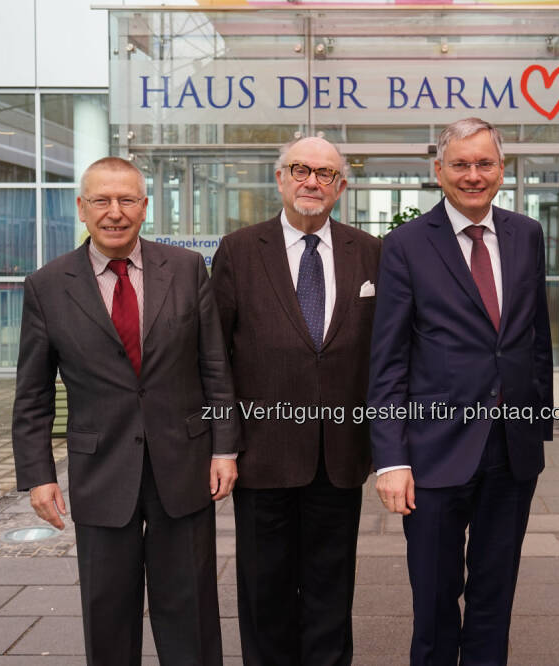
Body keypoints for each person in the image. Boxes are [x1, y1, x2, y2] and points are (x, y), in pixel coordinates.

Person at [11, 157, 239, 665]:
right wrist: (38, 475)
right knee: (107, 609)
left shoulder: (184, 268)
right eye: (101, 200)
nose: (115, 212)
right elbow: (32, 392)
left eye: (127, 200)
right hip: (101, 468)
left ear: (145, 206)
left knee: (191, 606)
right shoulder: (47, 286)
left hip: (183, 465)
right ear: (82, 208)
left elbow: (215, 367)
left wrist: (225, 447)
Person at [368, 117, 552, 664]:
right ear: (438, 171)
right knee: (434, 600)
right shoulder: (404, 245)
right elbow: (388, 359)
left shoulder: (527, 233)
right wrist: (390, 460)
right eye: (461, 165)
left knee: (496, 597)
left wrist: (535, 429)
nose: (474, 175)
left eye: (485, 163)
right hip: (432, 454)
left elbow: (535, 337)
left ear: (502, 168)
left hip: (510, 454)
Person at [210, 136, 381, 665]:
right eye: (301, 169)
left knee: (333, 594)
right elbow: (214, 356)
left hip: (340, 457)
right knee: (265, 596)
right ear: (279, 177)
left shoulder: (370, 252)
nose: (312, 181)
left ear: (342, 187)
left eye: (326, 173)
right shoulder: (239, 251)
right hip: (263, 457)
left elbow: (386, 352)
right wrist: (222, 445)